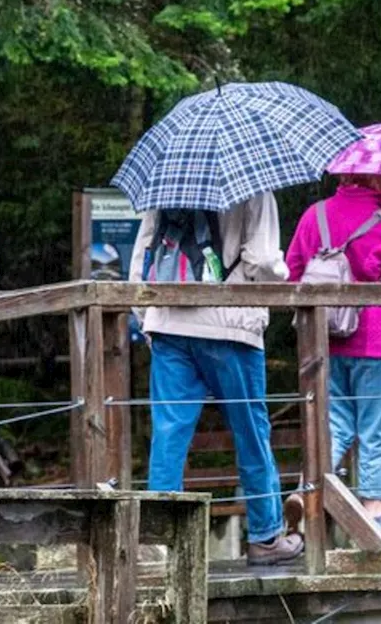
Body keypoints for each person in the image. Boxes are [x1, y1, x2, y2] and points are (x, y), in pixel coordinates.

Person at [130, 192, 305, 566]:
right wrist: (283, 276)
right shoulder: (255, 188)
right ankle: (265, 536)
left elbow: (142, 256)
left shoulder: (168, 183)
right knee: (250, 430)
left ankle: (157, 539)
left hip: (169, 320)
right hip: (229, 324)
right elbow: (262, 261)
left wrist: (147, 318)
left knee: (169, 431)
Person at [285, 174, 381, 531]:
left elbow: (292, 275)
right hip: (376, 337)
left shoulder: (313, 216)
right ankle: (373, 509)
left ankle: (306, 492)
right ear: (376, 176)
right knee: (375, 425)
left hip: (324, 338)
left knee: (333, 422)